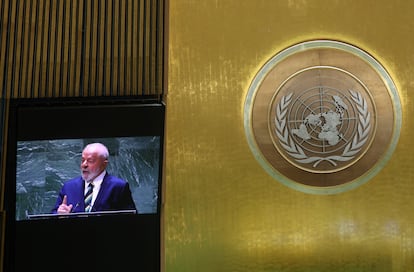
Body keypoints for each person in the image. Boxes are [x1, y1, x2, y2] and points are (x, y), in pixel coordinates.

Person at [52, 142, 137, 214]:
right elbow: (53, 214)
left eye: (90, 161)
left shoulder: (118, 187)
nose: (84, 165)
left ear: (104, 164)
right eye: (82, 160)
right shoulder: (69, 187)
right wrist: (60, 214)